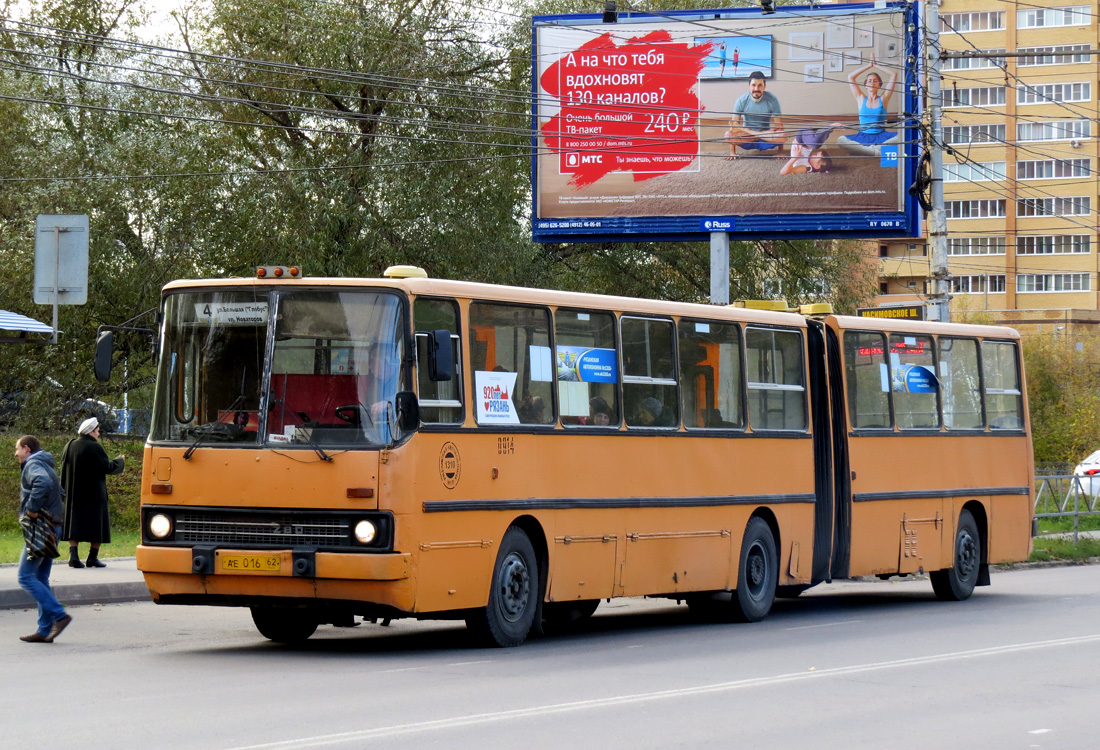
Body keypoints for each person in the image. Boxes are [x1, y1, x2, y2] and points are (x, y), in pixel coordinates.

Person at [15, 435, 72, 643]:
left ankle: (59, 615)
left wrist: (32, 510)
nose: (16, 453)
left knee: (25, 576)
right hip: (53, 527)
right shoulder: (46, 463)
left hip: (40, 529)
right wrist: (53, 511)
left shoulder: (33, 465)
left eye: (18, 449)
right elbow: (60, 492)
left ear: (27, 449)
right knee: (40, 578)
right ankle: (44, 629)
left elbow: (43, 483)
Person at [61, 417, 125, 568]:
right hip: (93, 495)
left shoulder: (70, 445)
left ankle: (74, 556)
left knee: (74, 523)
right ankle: (92, 557)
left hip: (73, 494)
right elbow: (106, 467)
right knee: (98, 524)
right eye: (98, 431)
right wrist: (120, 461)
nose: (99, 434)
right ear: (91, 431)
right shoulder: (94, 447)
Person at [836, 53, 900, 157]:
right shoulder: (860, 98)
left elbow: (893, 75)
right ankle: (875, 152)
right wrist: (869, 66)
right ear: (865, 84)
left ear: (879, 85)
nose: (872, 83)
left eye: (875, 81)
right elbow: (851, 77)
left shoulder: (884, 98)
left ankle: (866, 151)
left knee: (903, 136)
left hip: (881, 136)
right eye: (869, 81)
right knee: (840, 140)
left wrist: (877, 66)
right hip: (863, 136)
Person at [725, 71, 786, 159]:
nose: (756, 88)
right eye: (753, 85)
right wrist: (732, 153)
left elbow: (779, 127)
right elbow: (733, 127)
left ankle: (756, 135)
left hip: (765, 140)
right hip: (747, 139)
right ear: (749, 86)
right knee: (728, 135)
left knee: (783, 135)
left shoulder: (772, 100)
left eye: (760, 85)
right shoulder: (741, 100)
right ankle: (755, 135)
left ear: (764, 86)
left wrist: (780, 152)